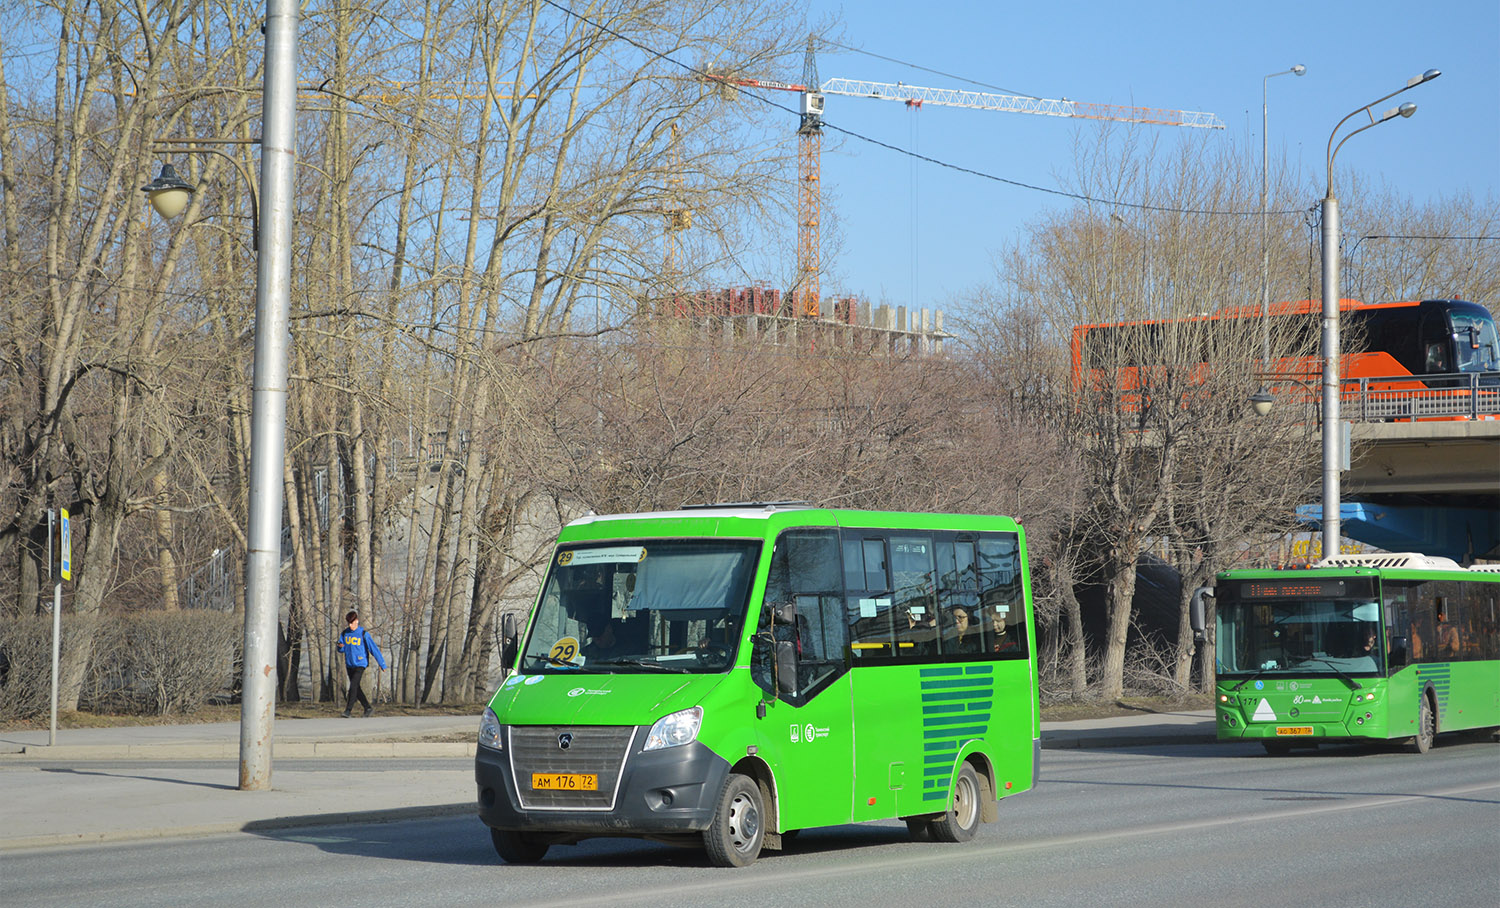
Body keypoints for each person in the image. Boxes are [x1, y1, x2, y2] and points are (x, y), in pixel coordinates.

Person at [337, 610, 386, 718]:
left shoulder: (364, 634)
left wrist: (382, 664)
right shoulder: (345, 633)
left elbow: (374, 649)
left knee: (353, 686)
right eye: (349, 623)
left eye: (353, 623)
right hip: (350, 664)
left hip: (360, 663)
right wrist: (340, 647)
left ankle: (348, 711)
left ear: (357, 621)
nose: (351, 625)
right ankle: (367, 708)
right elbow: (341, 649)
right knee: (356, 688)